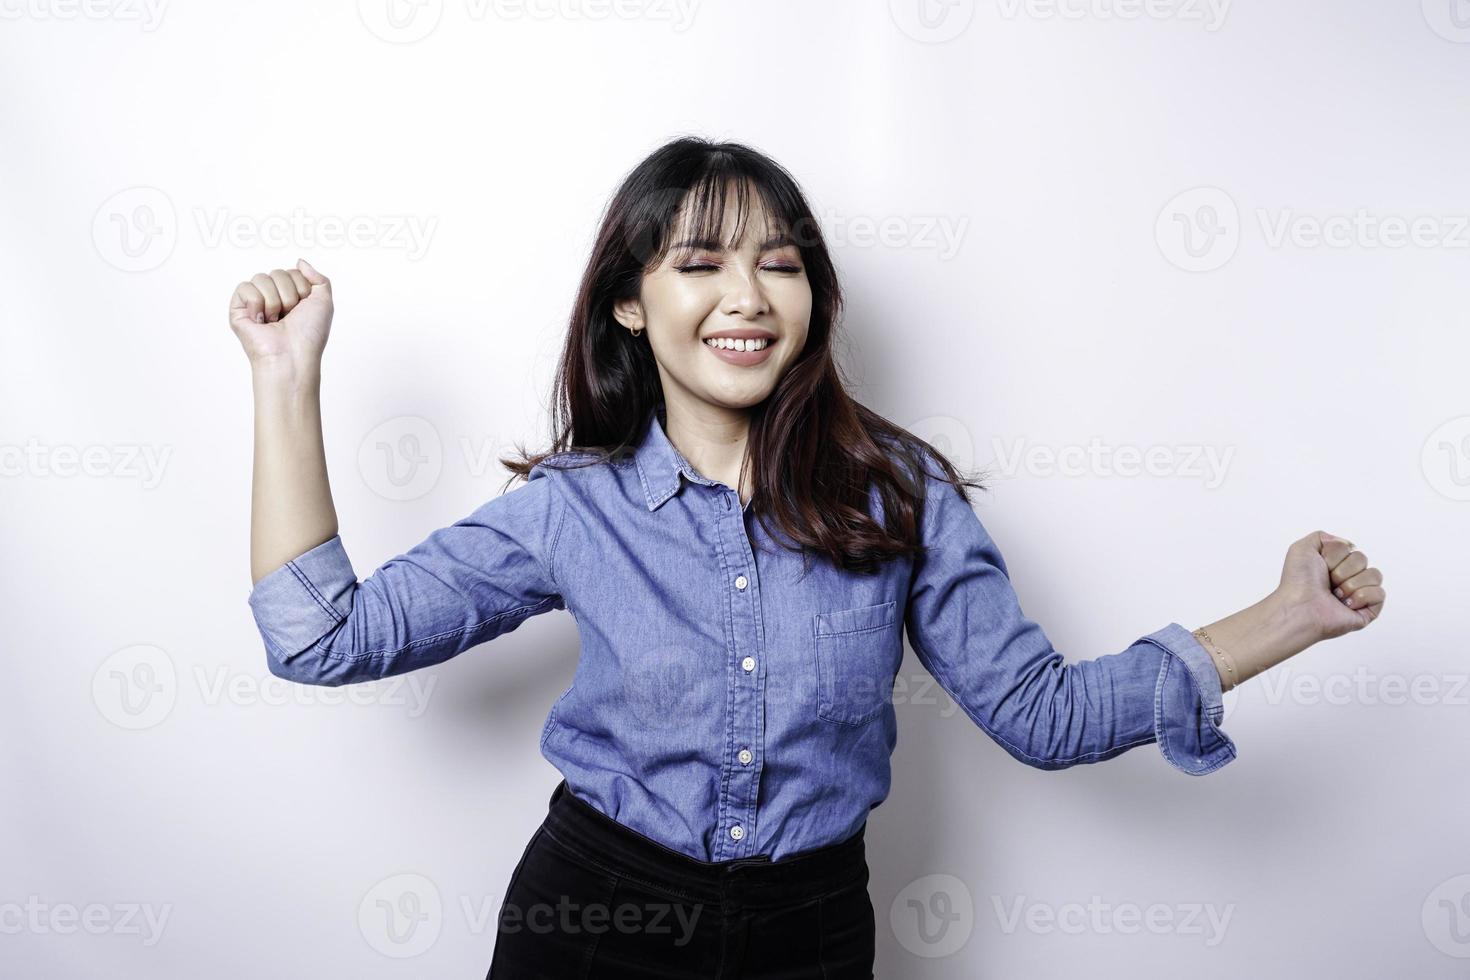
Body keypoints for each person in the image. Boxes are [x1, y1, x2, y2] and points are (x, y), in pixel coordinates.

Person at [229, 137, 1386, 979]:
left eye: (779, 263)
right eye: (700, 263)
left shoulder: (901, 493)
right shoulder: (574, 509)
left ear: (813, 294)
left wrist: (1284, 616)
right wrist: (288, 379)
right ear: (630, 303)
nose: (747, 297)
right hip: (591, 926)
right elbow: (320, 634)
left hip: (812, 937)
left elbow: (1046, 713)